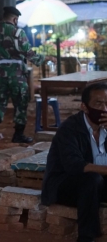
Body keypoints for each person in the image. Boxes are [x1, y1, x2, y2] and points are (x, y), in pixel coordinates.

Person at [42, 83, 107, 242]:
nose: (104, 109)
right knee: (92, 179)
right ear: (84, 107)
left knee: (95, 180)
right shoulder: (70, 128)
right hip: (64, 185)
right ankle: (86, 237)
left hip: (97, 184)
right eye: (98, 104)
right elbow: (74, 165)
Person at [0, 6, 45, 144]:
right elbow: (28, 53)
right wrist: (43, 59)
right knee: (20, 102)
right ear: (15, 19)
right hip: (16, 75)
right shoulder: (18, 32)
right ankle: (18, 134)